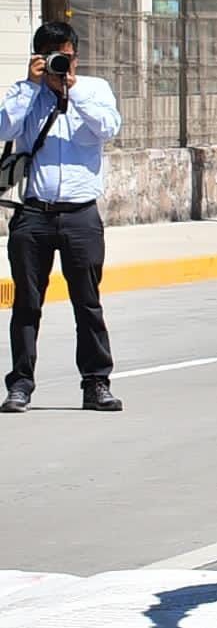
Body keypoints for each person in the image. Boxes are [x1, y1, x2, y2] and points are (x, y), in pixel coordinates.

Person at [1, 22, 123, 415]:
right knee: (26, 304)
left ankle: (96, 384)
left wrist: (69, 90)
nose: (59, 64)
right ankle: (20, 385)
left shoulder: (94, 89)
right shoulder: (26, 93)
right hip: (34, 213)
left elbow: (109, 128)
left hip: (80, 215)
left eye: (65, 56)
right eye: (52, 56)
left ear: (76, 56)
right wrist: (32, 86)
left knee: (88, 304)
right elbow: (3, 127)